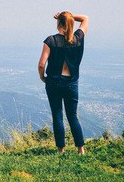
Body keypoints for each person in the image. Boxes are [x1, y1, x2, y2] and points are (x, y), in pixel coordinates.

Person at [38, 11, 89, 154]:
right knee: (72, 115)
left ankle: (61, 150)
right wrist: (66, 15)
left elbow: (42, 64)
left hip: (53, 82)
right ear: (71, 23)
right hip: (71, 83)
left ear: (58, 23)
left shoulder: (51, 40)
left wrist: (43, 78)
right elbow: (85, 18)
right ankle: (81, 149)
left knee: (57, 115)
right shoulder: (77, 39)